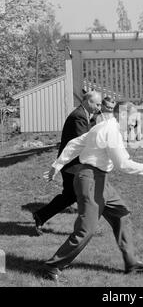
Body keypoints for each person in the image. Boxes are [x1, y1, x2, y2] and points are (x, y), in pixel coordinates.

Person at [42, 101, 143, 281]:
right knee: (86, 229)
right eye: (133, 119)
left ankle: (131, 263)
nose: (134, 123)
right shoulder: (111, 131)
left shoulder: (102, 126)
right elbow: (123, 164)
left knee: (121, 214)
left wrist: (57, 165)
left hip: (101, 180)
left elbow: (74, 144)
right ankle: (53, 266)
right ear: (123, 114)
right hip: (90, 180)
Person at [32, 91, 102, 236]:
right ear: (88, 101)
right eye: (97, 104)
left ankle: (41, 215)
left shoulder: (86, 115)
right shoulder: (78, 117)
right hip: (72, 165)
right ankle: (87, 228)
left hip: (74, 165)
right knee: (84, 195)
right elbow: (82, 142)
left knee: (70, 196)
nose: (99, 107)